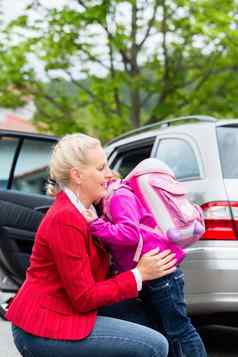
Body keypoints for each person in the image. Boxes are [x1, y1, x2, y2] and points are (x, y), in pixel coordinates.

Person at [6, 133, 177, 357]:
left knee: (151, 319)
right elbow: (85, 298)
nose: (109, 174)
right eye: (100, 168)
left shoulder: (88, 210)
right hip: (44, 328)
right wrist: (139, 274)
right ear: (77, 175)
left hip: (65, 309)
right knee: (155, 346)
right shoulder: (65, 218)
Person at [82, 161, 207, 357]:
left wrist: (96, 225)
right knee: (165, 330)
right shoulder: (112, 198)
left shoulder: (118, 196)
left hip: (162, 273)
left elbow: (129, 233)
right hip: (152, 273)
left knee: (179, 329)